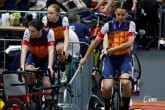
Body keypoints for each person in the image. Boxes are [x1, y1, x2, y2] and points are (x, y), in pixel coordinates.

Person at [79, 2, 136, 110]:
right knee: (107, 86)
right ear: (115, 13)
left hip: (124, 58)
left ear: (127, 14)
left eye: (123, 15)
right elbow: (95, 42)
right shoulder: (108, 25)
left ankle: (125, 107)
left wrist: (112, 50)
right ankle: (107, 106)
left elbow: (130, 43)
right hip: (110, 59)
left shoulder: (131, 25)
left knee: (125, 83)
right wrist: (85, 58)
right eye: (118, 14)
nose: (120, 17)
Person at [19, 19, 55, 107]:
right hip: (34, 55)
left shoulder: (49, 33)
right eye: (30, 30)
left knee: (46, 83)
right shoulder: (27, 32)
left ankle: (48, 105)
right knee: (28, 72)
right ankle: (32, 93)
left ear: (40, 30)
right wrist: (22, 67)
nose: (30, 33)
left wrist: (50, 67)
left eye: (33, 31)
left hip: (46, 57)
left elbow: (51, 52)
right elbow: (23, 51)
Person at [42, 4, 69, 83]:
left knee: (59, 49)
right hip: (50, 40)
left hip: (61, 39)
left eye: (51, 13)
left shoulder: (64, 19)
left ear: (57, 13)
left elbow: (66, 36)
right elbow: (44, 35)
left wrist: (65, 49)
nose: (49, 15)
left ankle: (62, 70)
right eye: (48, 13)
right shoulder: (45, 19)